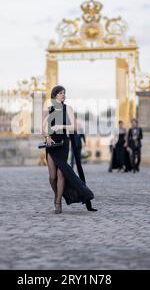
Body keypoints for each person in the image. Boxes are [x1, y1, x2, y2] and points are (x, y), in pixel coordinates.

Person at [42, 85, 97, 214]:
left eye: (64, 93)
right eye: (61, 93)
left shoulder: (69, 109)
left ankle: (58, 202)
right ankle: (57, 195)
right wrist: (47, 137)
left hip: (63, 144)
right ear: (54, 95)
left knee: (61, 173)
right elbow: (43, 126)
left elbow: (73, 127)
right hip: (51, 144)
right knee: (52, 177)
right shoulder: (47, 109)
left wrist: (59, 126)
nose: (63, 95)